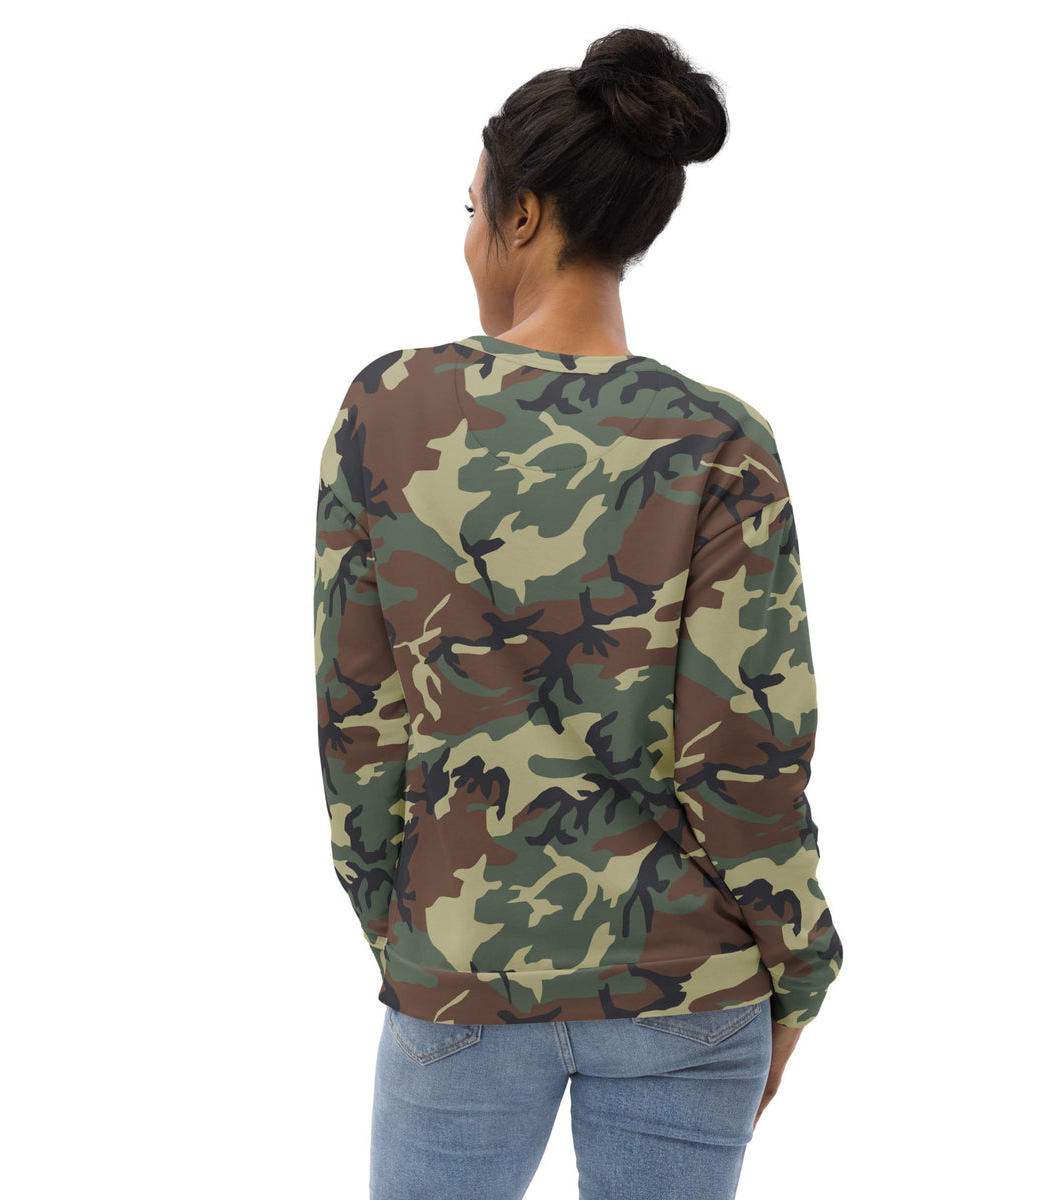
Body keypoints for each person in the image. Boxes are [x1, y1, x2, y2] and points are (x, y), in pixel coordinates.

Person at [313, 26, 843, 1200]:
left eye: (472, 210)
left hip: (461, 970)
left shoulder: (387, 409)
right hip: (689, 986)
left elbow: (358, 727)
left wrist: (415, 935)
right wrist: (798, 965)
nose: (468, 238)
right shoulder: (720, 442)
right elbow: (746, 756)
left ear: (521, 215)